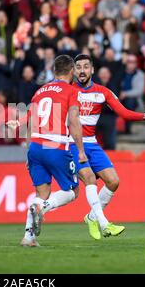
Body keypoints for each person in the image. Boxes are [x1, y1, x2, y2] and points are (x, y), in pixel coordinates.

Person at [71, 54, 145, 240]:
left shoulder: (103, 92)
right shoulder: (67, 90)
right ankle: (104, 223)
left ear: (92, 70)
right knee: (89, 181)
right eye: (78, 67)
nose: (82, 70)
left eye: (86, 66)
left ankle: (92, 217)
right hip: (72, 143)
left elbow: (123, 112)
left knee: (113, 181)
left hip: (92, 144)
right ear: (74, 70)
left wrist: (143, 116)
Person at [9, 55, 88, 247]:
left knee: (42, 191)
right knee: (72, 191)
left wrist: (29, 152)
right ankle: (42, 208)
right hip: (56, 146)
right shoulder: (70, 91)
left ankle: (28, 237)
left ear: (54, 71)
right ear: (71, 71)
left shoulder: (40, 91)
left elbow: (30, 122)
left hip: (35, 147)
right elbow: (74, 121)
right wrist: (80, 150)